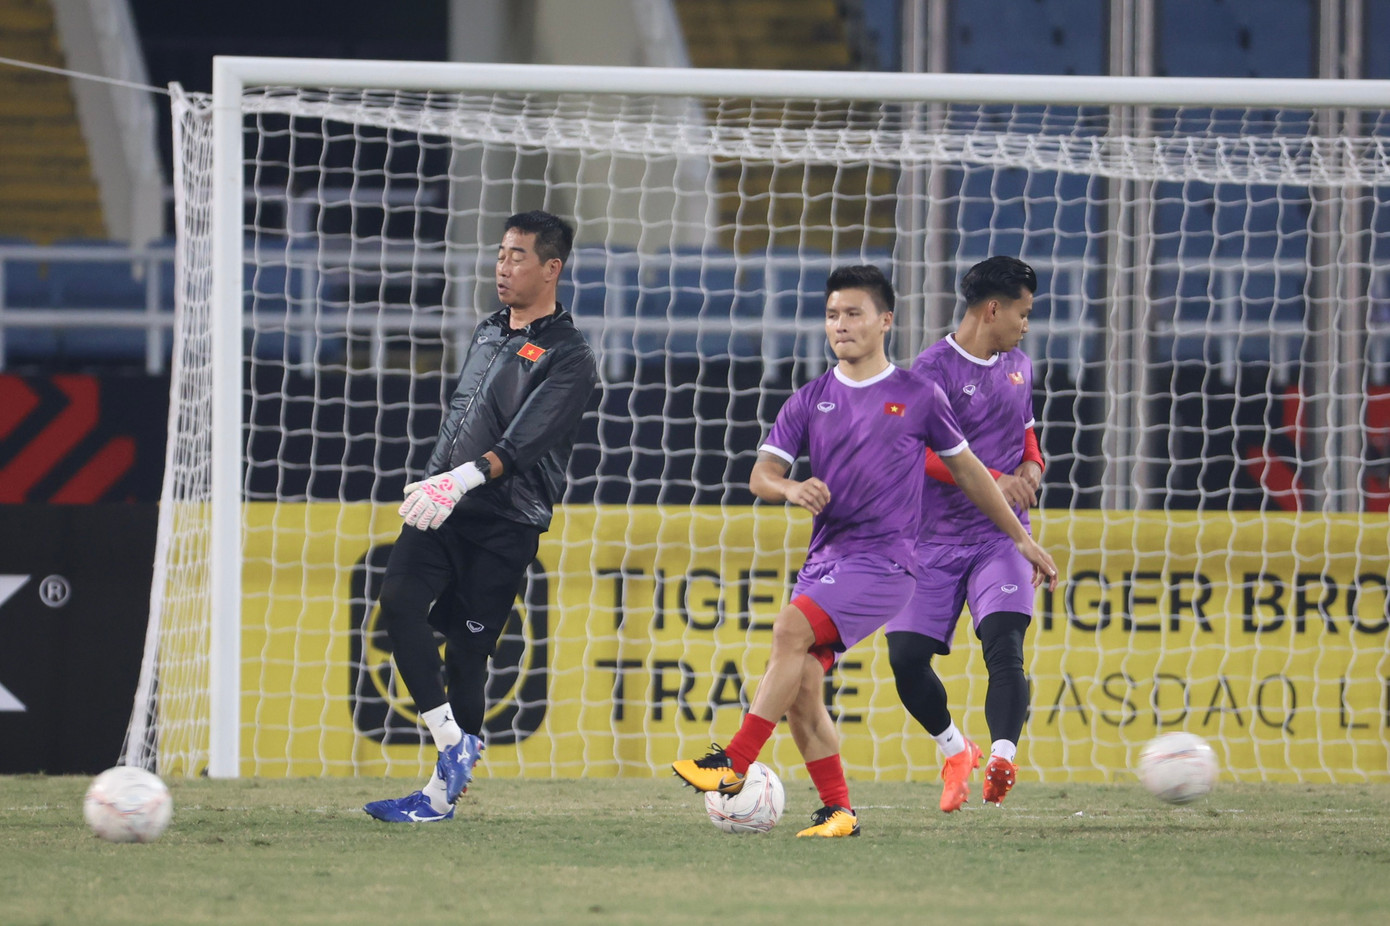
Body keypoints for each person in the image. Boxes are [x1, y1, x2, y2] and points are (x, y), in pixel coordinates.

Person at [671, 265, 1057, 838]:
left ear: (884, 321)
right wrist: (789, 488)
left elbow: (970, 471)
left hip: (890, 561)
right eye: (832, 315)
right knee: (803, 682)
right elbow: (761, 475)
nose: (840, 325)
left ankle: (734, 760)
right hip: (829, 559)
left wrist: (1023, 534)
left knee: (790, 630)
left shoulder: (917, 393)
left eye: (853, 313)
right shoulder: (811, 399)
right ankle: (840, 810)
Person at [364, 210, 598, 823]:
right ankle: (452, 742)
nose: (503, 266)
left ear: (551, 268)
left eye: (518, 256)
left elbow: (525, 442)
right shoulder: (489, 329)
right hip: (443, 506)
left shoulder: (570, 355)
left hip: (505, 521)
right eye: (500, 253)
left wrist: (460, 479)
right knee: (398, 603)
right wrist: (440, 479)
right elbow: (461, 417)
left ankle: (439, 800)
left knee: (467, 656)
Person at [885, 255, 1044, 812]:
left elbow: (1026, 430)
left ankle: (1002, 756)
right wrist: (996, 478)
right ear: (993, 310)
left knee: (1005, 644)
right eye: (1022, 313)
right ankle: (957, 750)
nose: (1026, 325)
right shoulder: (931, 371)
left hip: (999, 536)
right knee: (906, 659)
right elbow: (922, 453)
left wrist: (1032, 466)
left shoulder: (1019, 365)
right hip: (931, 539)